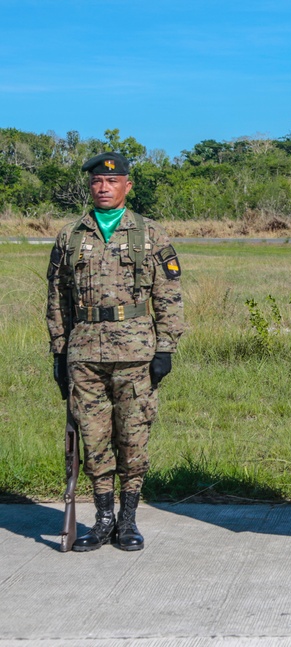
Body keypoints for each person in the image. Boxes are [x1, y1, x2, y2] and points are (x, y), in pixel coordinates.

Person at [47, 151, 184, 552]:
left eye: (111, 181)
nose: (103, 188)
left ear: (127, 185)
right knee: (93, 438)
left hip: (136, 351)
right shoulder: (71, 236)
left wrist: (166, 348)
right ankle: (102, 518)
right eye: (96, 182)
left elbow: (169, 295)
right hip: (85, 353)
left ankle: (128, 520)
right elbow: (56, 299)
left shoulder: (149, 234)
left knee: (133, 437)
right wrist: (59, 351)